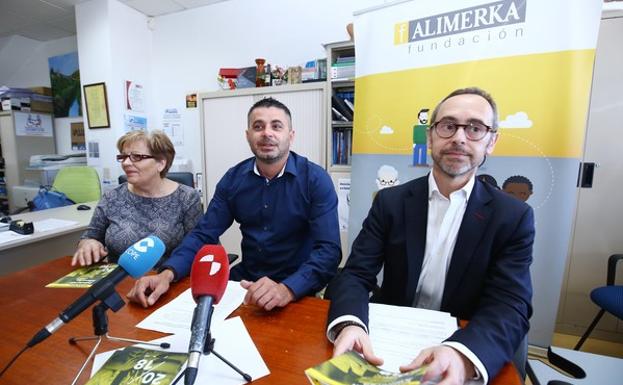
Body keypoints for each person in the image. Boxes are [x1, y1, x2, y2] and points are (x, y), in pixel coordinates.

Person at [325, 87, 534, 385]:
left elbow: (510, 304)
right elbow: (356, 273)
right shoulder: (390, 202)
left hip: (461, 340)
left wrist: (462, 354)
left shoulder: (512, 217)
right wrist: (351, 323)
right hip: (388, 342)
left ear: (492, 141)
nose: (459, 137)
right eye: (448, 126)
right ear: (430, 135)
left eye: (475, 128)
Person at [127, 97, 341, 311]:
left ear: (290, 136)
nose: (267, 133)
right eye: (258, 126)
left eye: (276, 126)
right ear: (248, 136)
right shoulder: (233, 180)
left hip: (296, 285)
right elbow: (204, 234)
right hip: (246, 282)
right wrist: (167, 274)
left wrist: (288, 289)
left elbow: (329, 251)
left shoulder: (314, 179)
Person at [72, 130, 202, 267]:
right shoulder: (112, 197)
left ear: (161, 163)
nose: (126, 163)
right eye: (123, 156)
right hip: (120, 282)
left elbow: (199, 246)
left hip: (168, 280)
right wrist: (88, 244)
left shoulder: (186, 197)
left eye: (137, 157)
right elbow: (89, 236)